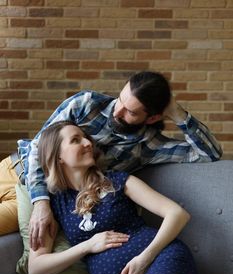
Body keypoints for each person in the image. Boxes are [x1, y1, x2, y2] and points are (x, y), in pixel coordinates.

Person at [28, 120, 233, 274]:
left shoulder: (118, 181)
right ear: (58, 157)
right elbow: (36, 270)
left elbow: (177, 214)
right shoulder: (52, 205)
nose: (88, 143)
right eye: (76, 140)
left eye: (86, 137)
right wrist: (88, 245)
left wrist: (144, 259)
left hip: (159, 257)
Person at [0, 71, 222, 240]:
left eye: (131, 112)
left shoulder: (148, 146)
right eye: (120, 100)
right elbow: (41, 149)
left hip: (29, 196)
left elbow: (209, 153)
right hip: (14, 168)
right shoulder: (85, 104)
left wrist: (177, 113)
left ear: (152, 118)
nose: (118, 111)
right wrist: (41, 203)